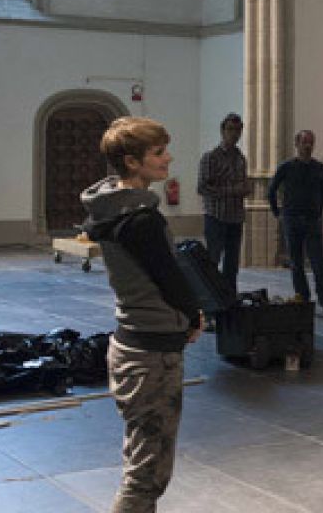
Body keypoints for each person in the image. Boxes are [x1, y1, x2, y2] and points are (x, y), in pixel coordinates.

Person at [81, 116, 203, 513]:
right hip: (151, 353)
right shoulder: (141, 219)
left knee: (141, 459)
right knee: (145, 477)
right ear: (132, 162)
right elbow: (170, 278)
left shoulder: (110, 209)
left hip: (132, 343)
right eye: (158, 152)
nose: (168, 158)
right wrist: (193, 315)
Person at [266, 130, 323, 315]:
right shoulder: (286, 167)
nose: (308, 146)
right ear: (296, 144)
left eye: (311, 142)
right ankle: (302, 296)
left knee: (318, 262)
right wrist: (277, 212)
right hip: (291, 218)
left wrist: (317, 212)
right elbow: (271, 190)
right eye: (304, 142)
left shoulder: (320, 168)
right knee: (296, 261)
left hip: (312, 220)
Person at [197, 112, 248, 296]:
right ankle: (211, 298)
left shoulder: (241, 158)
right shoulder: (210, 157)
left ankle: (229, 297)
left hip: (235, 217)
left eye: (238, 130)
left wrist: (242, 189)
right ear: (222, 131)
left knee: (232, 264)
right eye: (230, 129)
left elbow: (243, 185)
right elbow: (203, 187)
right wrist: (231, 190)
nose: (234, 134)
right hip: (216, 216)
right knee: (213, 260)